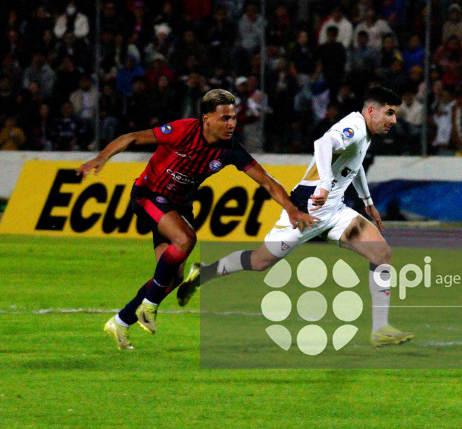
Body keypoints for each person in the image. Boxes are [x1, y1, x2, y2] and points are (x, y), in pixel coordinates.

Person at [77, 89, 317, 350]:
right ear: (206, 119)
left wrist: (292, 209)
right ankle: (149, 307)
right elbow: (133, 137)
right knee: (185, 239)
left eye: (234, 118)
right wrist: (101, 158)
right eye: (225, 118)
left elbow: (267, 182)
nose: (232, 124)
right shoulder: (183, 131)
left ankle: (121, 321)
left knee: (172, 276)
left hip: (178, 207)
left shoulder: (230, 148)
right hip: (148, 195)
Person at [177, 86, 414, 348]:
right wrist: (324, 184)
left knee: (381, 253)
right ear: (371, 110)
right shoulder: (355, 127)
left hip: (334, 210)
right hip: (308, 207)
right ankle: (204, 272)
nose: (393, 120)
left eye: (395, 114)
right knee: (259, 261)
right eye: (389, 113)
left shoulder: (365, 133)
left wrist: (368, 203)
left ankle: (380, 329)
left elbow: (353, 165)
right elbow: (322, 144)